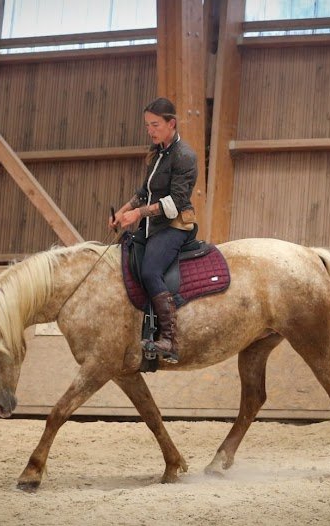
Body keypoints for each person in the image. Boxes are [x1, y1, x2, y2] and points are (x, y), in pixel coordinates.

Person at [109, 97, 198, 364]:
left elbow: (175, 202)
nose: (150, 130)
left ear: (171, 124)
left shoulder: (185, 156)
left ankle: (170, 339)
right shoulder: (157, 151)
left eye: (155, 125)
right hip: (153, 224)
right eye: (147, 125)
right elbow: (144, 192)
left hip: (175, 225)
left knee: (150, 271)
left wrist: (138, 214)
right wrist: (123, 211)